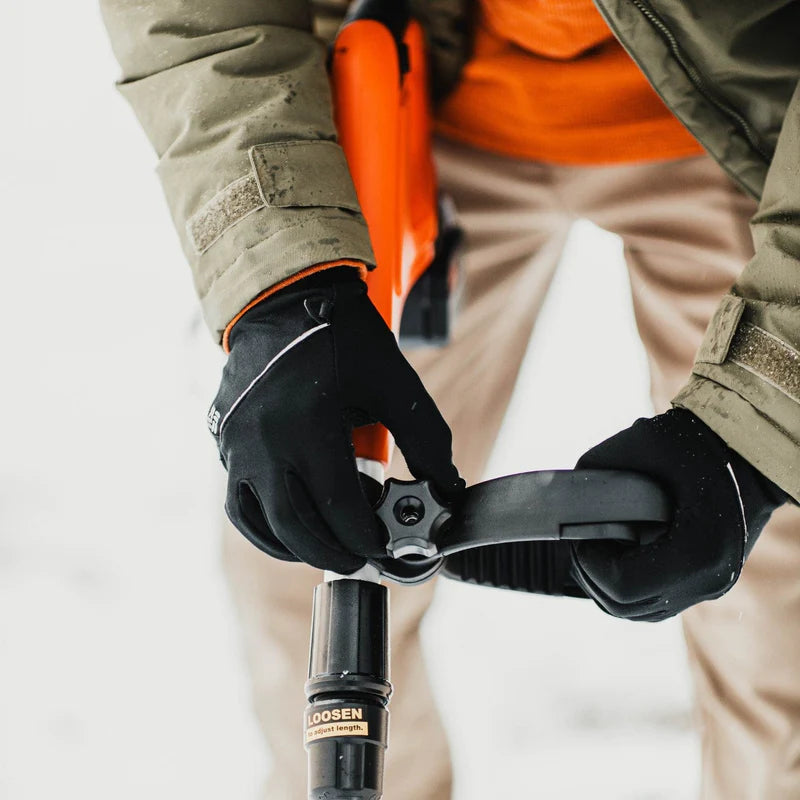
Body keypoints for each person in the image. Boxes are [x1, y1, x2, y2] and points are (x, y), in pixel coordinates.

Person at [101, 0, 800, 797]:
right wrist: (279, 280)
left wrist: (764, 414)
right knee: (310, 552)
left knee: (777, 617)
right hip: (416, 103)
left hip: (751, 131)